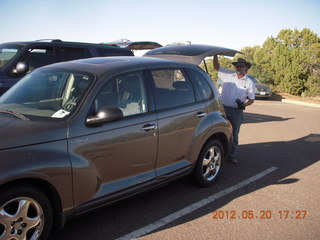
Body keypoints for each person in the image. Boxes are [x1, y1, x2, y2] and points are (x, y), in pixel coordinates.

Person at [213, 55, 255, 164]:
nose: (239, 68)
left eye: (241, 66)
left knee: (234, 134)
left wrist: (244, 105)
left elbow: (251, 99)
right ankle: (219, 153)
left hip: (236, 112)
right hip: (222, 109)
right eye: (237, 66)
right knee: (217, 132)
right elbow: (216, 67)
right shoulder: (228, 75)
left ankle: (232, 155)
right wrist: (215, 55)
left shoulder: (249, 83)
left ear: (246, 68)